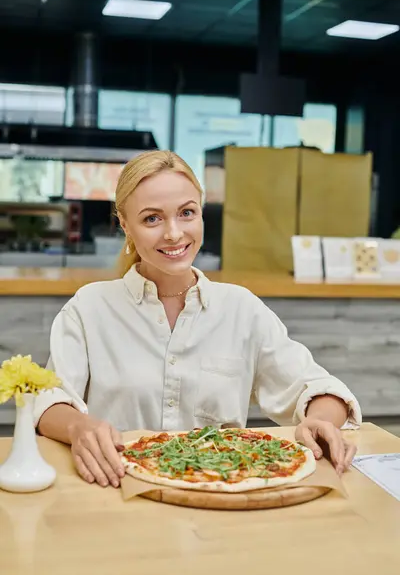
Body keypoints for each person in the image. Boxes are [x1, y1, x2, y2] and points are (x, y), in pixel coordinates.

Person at [35, 150, 362, 489]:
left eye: (186, 213)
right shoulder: (89, 307)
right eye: (152, 219)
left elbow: (319, 388)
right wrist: (78, 427)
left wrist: (321, 420)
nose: (174, 233)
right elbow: (49, 401)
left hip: (221, 496)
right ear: (124, 224)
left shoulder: (241, 309)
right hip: (115, 488)